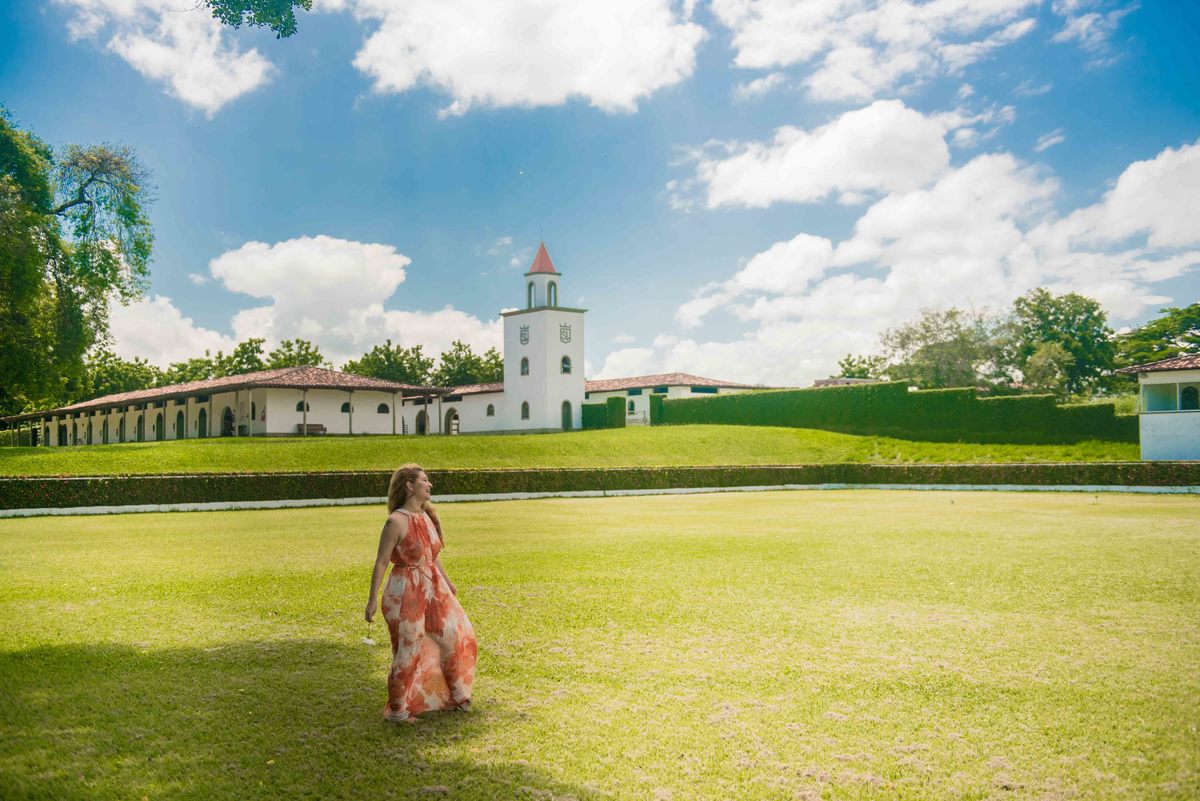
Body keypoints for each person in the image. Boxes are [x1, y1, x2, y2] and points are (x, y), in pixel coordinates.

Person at [365, 464, 477, 722]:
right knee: (408, 650)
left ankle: (458, 695)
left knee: (452, 637)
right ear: (409, 485)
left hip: (432, 588)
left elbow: (432, 556)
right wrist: (371, 601)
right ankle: (397, 710)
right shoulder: (395, 522)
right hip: (405, 592)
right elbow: (381, 562)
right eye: (424, 480)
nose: (430, 485)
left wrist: (448, 583)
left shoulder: (426, 517)